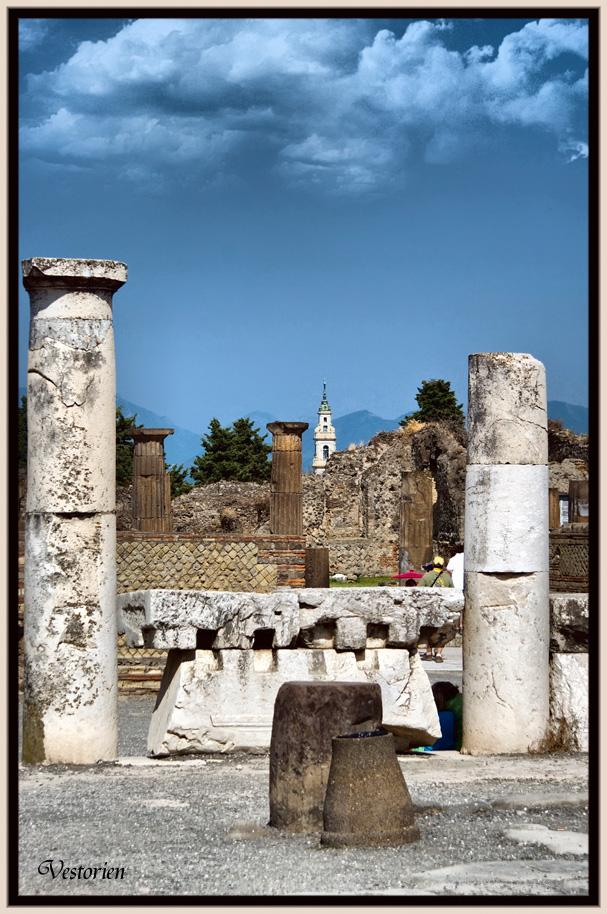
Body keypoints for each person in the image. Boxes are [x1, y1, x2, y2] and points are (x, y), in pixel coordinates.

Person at [418, 556, 454, 663]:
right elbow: (452, 591)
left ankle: (428, 653)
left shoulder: (427, 576)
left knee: (428, 630)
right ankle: (438, 654)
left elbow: (419, 591)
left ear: (433, 565)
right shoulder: (447, 577)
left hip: (429, 607)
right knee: (441, 631)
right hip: (443, 607)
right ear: (443, 566)